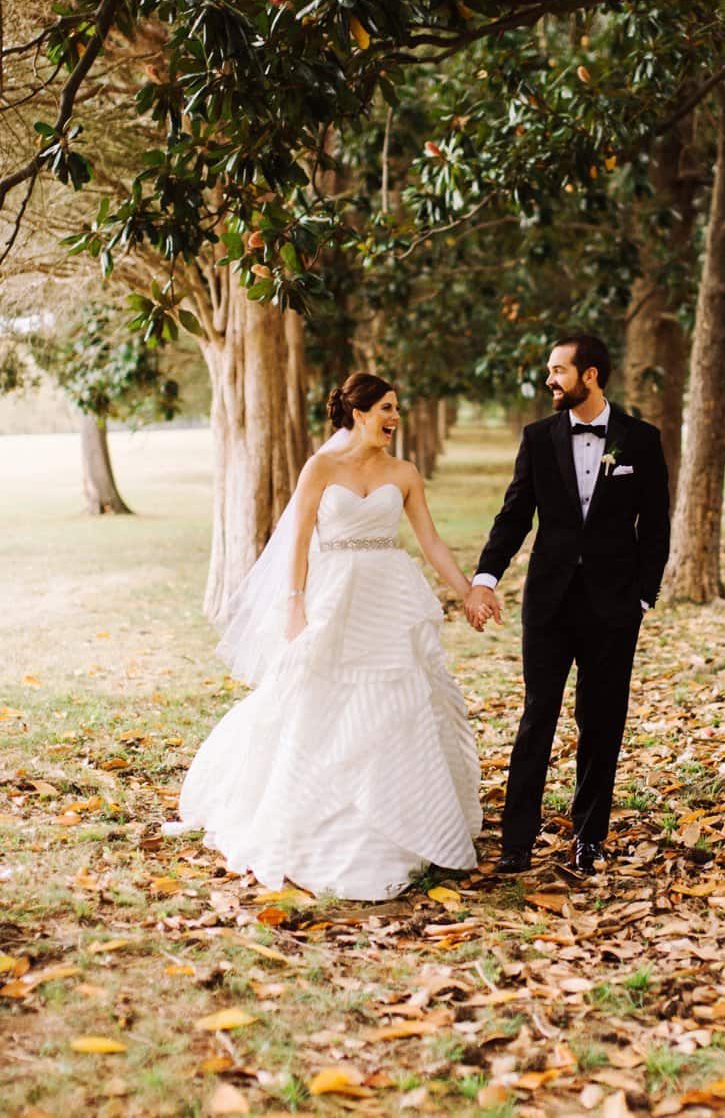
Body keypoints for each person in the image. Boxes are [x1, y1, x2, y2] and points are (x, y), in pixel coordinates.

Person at [170, 373, 482, 900]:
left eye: (397, 408)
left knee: (399, 699)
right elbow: (296, 537)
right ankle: (310, 820)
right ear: (358, 413)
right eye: (386, 407)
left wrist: (469, 590)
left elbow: (429, 541)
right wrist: (294, 603)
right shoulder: (321, 468)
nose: (394, 418)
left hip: (387, 598)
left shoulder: (404, 473)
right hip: (332, 597)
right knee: (315, 698)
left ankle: (402, 824)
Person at [465, 333, 669, 877]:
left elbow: (656, 526)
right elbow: (514, 516)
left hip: (614, 608)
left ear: (592, 375)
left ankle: (589, 839)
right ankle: (517, 841)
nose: (550, 380)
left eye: (559, 370)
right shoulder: (537, 438)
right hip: (548, 606)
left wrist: (643, 597)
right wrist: (486, 576)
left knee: (602, 723)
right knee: (538, 718)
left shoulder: (641, 441)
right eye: (550, 371)